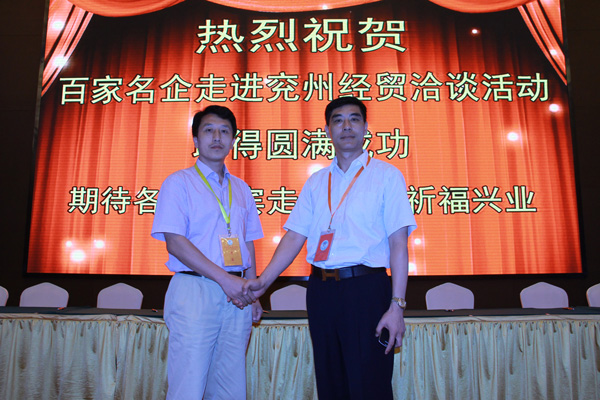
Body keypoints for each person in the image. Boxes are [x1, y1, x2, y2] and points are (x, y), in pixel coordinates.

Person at [243, 96, 416, 400]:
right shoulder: (316, 181)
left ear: (366, 127)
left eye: (354, 119)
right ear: (327, 131)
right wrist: (262, 283)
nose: (346, 126)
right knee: (331, 383)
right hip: (321, 292)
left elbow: (398, 244)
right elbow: (294, 237)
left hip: (365, 289)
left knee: (369, 386)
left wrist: (397, 305)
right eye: (338, 120)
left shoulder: (387, 176)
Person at [151, 105, 263, 400]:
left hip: (238, 296)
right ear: (195, 139)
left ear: (233, 140)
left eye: (225, 131)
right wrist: (225, 279)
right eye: (209, 130)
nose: (217, 137)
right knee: (188, 385)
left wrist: (253, 293)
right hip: (195, 290)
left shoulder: (242, 189)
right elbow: (175, 242)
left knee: (231, 387)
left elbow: (248, 241)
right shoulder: (179, 183)